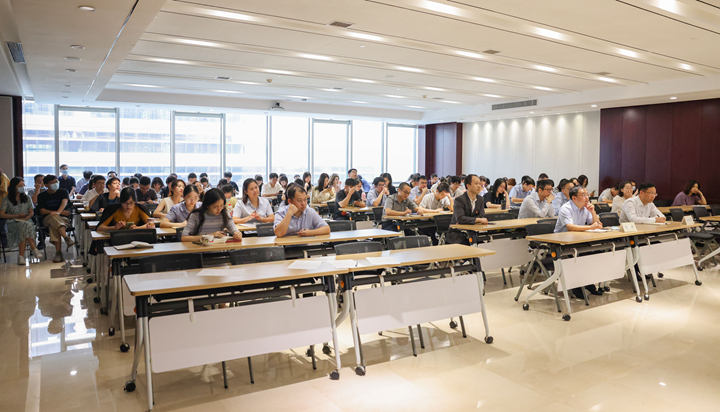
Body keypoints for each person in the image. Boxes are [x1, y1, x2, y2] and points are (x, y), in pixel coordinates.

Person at [554, 186, 604, 297]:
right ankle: (577, 286)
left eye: (587, 194)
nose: (587, 197)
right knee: (582, 255)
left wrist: (593, 212)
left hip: (578, 241)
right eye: (584, 195)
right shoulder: (566, 208)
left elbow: (598, 225)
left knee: (595, 253)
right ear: (574, 198)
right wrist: (590, 227)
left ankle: (588, 282)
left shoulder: (586, 208)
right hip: (562, 243)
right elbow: (570, 227)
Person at [0, 177, 41, 264]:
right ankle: (34, 249)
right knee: (25, 226)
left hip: (26, 221)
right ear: (14, 187)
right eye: (20, 186)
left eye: (23, 185)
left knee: (24, 226)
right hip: (12, 222)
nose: (22, 187)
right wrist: (17, 216)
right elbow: (2, 214)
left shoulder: (27, 198)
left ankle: (21, 256)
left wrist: (24, 219)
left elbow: (31, 213)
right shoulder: (7, 199)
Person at [37, 174, 74, 262]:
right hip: (47, 219)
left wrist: (58, 213)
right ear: (46, 185)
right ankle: (66, 237)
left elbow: (64, 202)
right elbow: (42, 211)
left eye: (56, 181)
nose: (55, 183)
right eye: (52, 182)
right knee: (52, 217)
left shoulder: (63, 191)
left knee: (53, 226)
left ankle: (58, 254)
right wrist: (54, 212)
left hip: (63, 219)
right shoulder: (41, 196)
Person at [446, 175, 487, 245]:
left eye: (480, 184)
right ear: (468, 185)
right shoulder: (459, 200)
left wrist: (468, 220)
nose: (479, 186)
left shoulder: (480, 199)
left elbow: (481, 216)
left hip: (472, 233)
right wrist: (477, 220)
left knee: (485, 245)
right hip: (458, 235)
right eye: (476, 183)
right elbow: (460, 218)